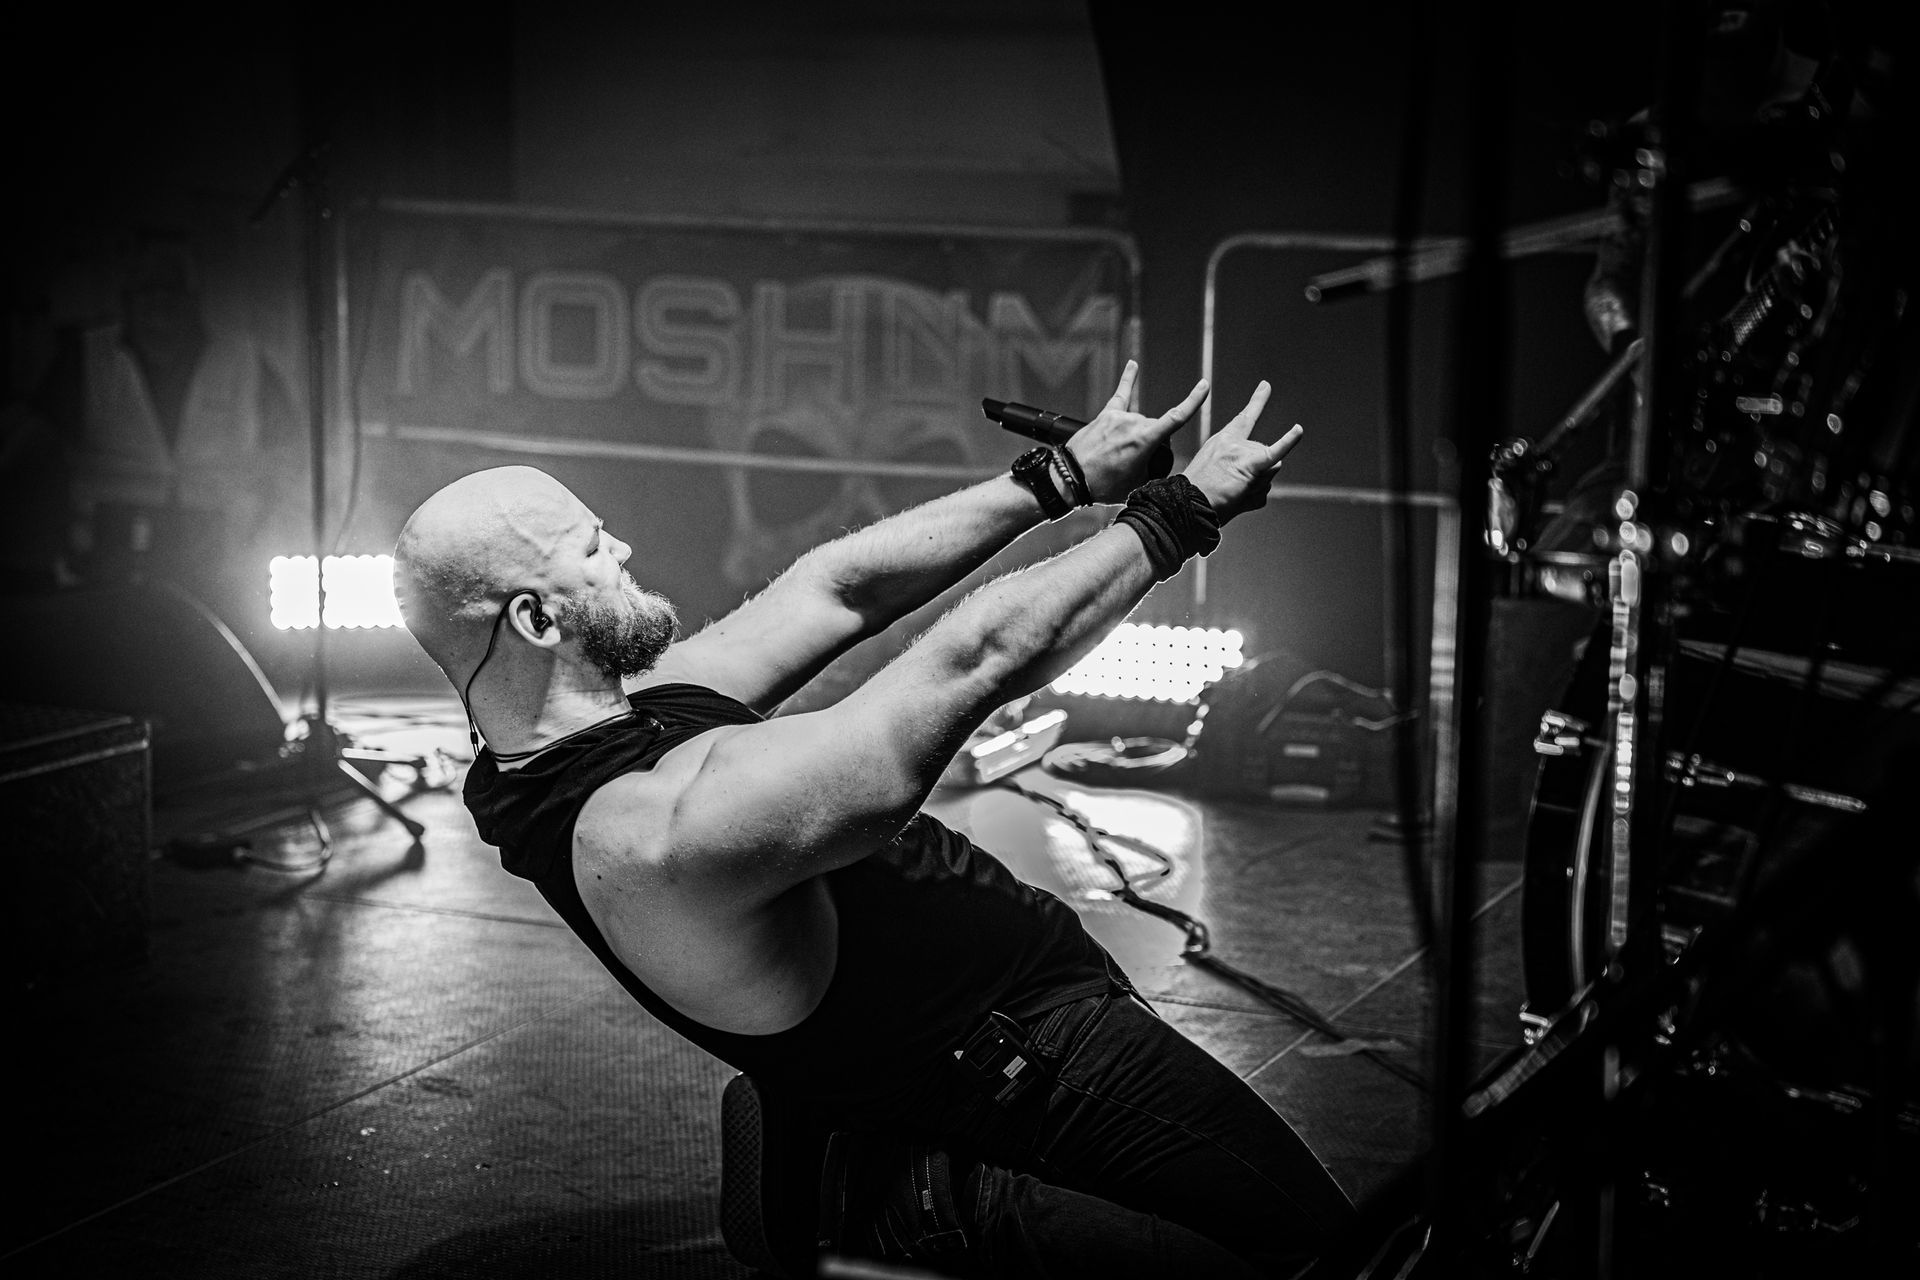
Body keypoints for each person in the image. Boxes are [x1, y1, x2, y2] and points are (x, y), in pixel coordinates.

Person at [392, 361, 1354, 1277]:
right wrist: (1177, 515)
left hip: (1015, 1029)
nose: (624, 552)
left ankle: (842, 1165)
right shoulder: (656, 828)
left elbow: (839, 588)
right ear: (537, 621)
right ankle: (901, 1201)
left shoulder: (594, 727)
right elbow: (973, 660)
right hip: (1023, 1065)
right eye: (593, 549)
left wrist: (1057, 478)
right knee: (1332, 1256)